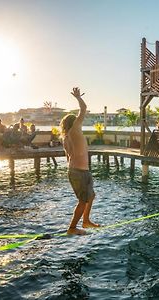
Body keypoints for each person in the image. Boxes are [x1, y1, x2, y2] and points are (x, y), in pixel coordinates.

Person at [60, 87, 100, 235]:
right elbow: (83, 109)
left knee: (91, 196)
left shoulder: (67, 137)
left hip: (78, 171)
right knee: (83, 200)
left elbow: (68, 157)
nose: (80, 121)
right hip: (79, 172)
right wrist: (78, 97)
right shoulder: (75, 129)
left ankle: (86, 221)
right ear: (74, 122)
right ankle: (72, 228)